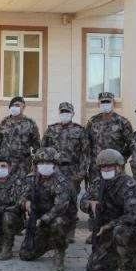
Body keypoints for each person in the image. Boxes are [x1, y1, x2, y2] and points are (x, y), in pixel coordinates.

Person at [81, 149, 136, 271]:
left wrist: (109, 225)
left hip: (125, 229)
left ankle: (129, 266)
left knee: (120, 231)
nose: (106, 169)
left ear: (119, 167)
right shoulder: (98, 182)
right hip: (105, 231)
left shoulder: (129, 185)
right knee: (94, 269)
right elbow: (82, 202)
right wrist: (90, 204)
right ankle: (115, 257)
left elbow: (132, 215)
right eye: (103, 167)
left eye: (110, 166)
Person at [18, 147, 76, 271]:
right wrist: (25, 202)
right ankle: (49, 242)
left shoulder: (62, 182)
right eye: (41, 162)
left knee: (58, 223)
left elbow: (60, 207)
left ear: (55, 165)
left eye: (48, 163)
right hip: (39, 220)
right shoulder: (32, 179)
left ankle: (59, 252)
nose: (45, 165)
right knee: (25, 255)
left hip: (58, 219)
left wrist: (43, 220)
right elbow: (20, 196)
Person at [41, 101, 88, 243]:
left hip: (72, 170)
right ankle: (51, 229)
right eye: (62, 111)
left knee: (71, 201)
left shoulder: (80, 131)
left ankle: (70, 232)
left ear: (72, 113)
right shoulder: (51, 130)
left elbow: (85, 153)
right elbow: (42, 150)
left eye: (67, 112)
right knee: (51, 199)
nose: (65, 114)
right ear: (59, 113)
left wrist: (82, 172)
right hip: (54, 170)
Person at [86, 91, 133, 182]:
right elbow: (86, 144)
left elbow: (131, 144)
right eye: (102, 102)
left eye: (108, 101)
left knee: (115, 189)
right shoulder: (92, 121)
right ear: (98, 104)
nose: (105, 104)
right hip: (96, 168)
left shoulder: (122, 122)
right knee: (96, 190)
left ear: (114, 103)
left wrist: (122, 159)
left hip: (115, 167)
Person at [0, 96, 40, 177]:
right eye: (12, 105)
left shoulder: (30, 123)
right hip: (6, 163)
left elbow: (37, 146)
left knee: (22, 184)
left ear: (23, 107)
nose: (14, 107)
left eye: (17, 105)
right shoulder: (4, 122)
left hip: (23, 164)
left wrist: (35, 164)